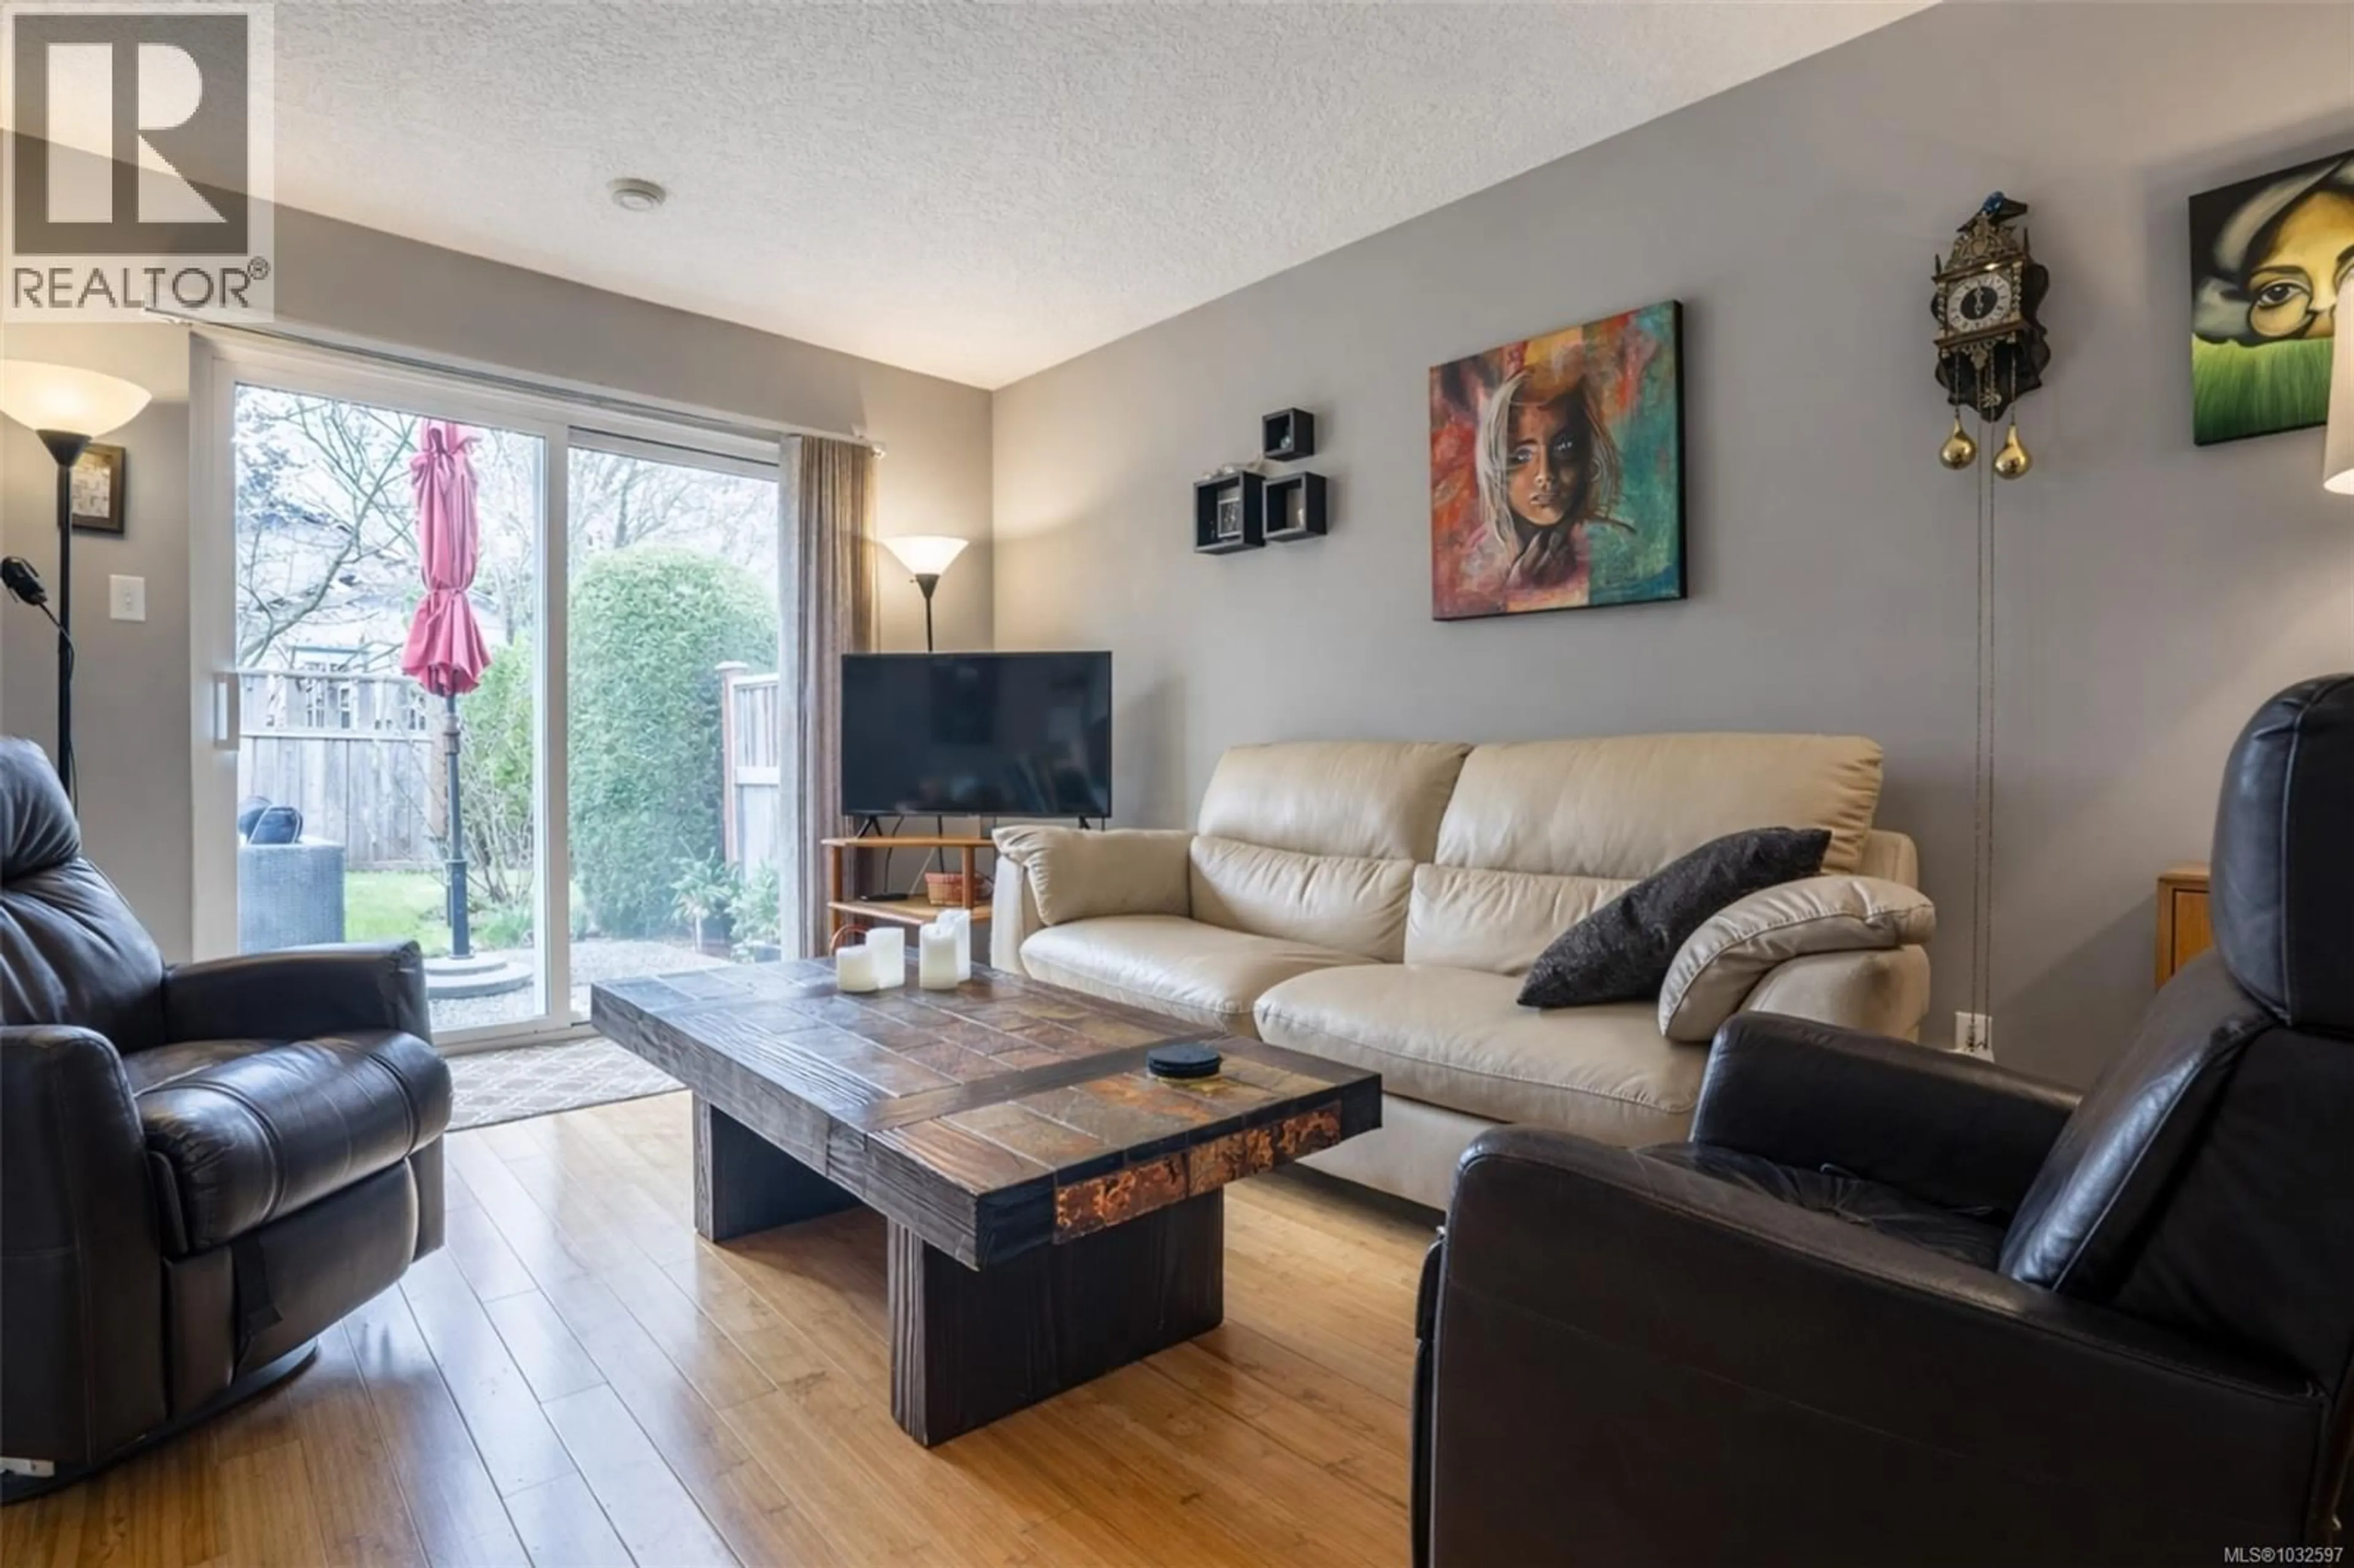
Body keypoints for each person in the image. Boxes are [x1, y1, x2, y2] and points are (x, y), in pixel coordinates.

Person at [1472, 357, 1629, 601]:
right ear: (1496, 466)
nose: (1545, 475)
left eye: (1564, 447)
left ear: (1587, 455)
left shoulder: (1614, 549)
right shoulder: (1478, 562)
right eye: (1522, 455)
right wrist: (1518, 588)